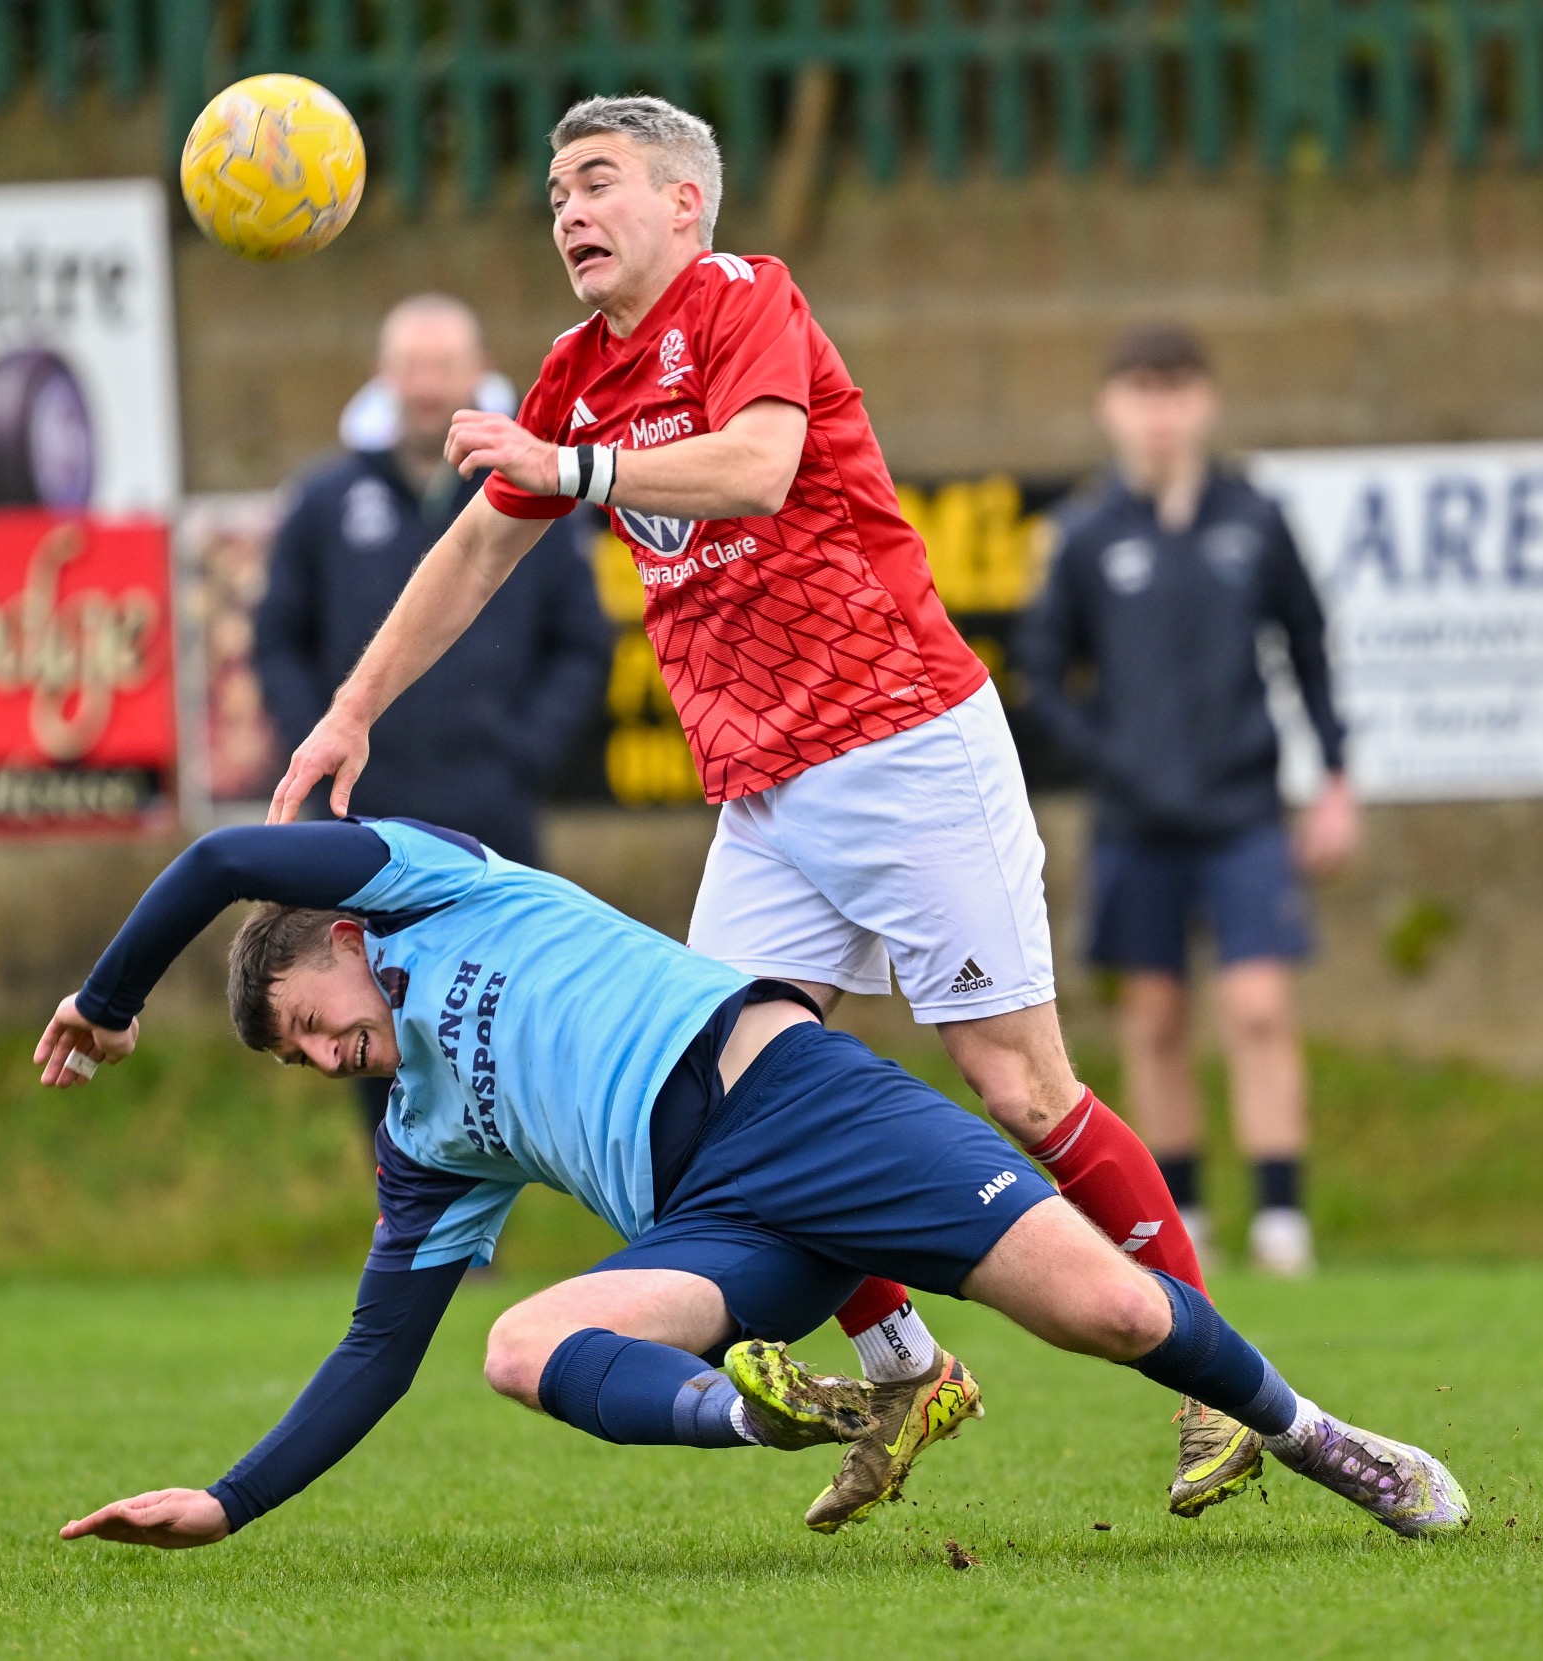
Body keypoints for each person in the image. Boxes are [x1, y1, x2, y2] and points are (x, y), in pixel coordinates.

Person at [259, 95, 1258, 1522]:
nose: (567, 212)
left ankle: (1211, 1389)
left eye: (596, 182)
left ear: (686, 205)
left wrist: (578, 471)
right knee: (719, 1111)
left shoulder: (745, 300)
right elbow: (478, 545)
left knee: (1021, 1087)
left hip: (903, 741)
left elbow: (759, 465)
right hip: (769, 792)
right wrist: (355, 709)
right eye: (553, 192)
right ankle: (909, 1368)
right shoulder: (575, 370)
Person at [34, 818, 1469, 1549]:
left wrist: (106, 995)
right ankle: (770, 1409)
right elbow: (372, 1355)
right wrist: (225, 1503)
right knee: (512, 1344)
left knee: (1112, 1312)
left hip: (794, 1099)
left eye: (312, 1018)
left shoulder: (432, 883)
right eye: (303, 1060)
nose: (329, 1053)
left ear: (344, 935)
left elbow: (224, 855)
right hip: (715, 1228)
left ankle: (1313, 1432)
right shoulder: (422, 1138)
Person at [1017, 324, 1358, 1277]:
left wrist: (1334, 776)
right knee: (1156, 1019)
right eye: (1140, 390)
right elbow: (1042, 675)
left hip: (1243, 812)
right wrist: (1109, 760)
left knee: (1257, 1006)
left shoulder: (1255, 518)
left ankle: (1283, 1221)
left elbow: (1311, 647)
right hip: (1135, 823)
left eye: (1176, 389)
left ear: (1205, 400)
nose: (1159, 411)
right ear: (1110, 406)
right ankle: (1188, 1214)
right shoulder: (1084, 535)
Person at [253, 293, 611, 1134]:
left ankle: (490, 1192)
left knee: (505, 1012)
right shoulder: (322, 503)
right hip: (361, 817)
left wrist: (524, 752)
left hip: (491, 815)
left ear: (477, 373)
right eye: (412, 368)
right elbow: (276, 643)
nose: (426, 387)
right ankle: (400, 1194)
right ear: (384, 377)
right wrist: (316, 751)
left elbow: (582, 645)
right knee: (366, 1011)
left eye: (443, 367)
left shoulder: (535, 498)